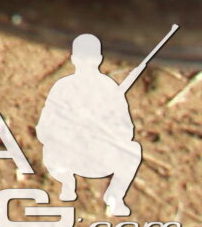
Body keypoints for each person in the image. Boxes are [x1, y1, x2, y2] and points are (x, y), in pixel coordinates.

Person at [36, 34, 144, 215]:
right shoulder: (64, 87)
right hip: (66, 155)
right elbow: (44, 128)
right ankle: (66, 184)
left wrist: (103, 129)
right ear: (74, 59)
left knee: (133, 150)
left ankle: (115, 197)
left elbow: (126, 130)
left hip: (97, 155)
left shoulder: (109, 88)